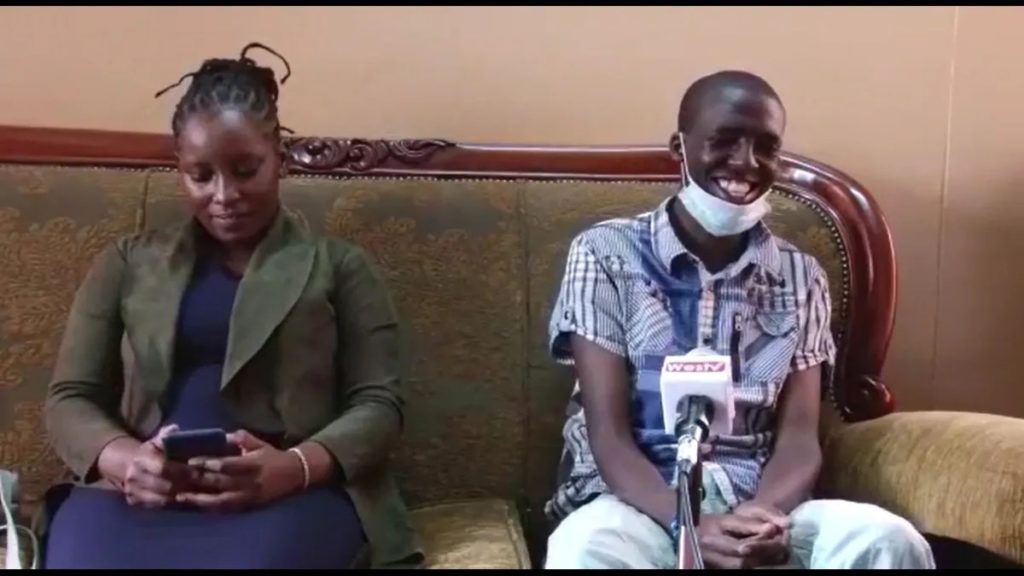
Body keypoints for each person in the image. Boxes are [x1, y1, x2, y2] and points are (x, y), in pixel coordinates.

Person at [40, 43, 421, 569]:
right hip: (137, 498)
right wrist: (127, 462)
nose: (224, 195)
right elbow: (69, 398)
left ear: (279, 159)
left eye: (245, 170)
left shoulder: (339, 266)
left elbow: (380, 404)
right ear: (180, 170)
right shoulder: (127, 263)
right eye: (201, 175)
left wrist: (293, 468)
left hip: (289, 498)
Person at [542, 70, 936, 570]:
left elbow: (798, 436)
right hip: (640, 509)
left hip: (759, 506)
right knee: (584, 550)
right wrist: (688, 526)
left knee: (886, 540)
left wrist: (762, 519)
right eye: (725, 141)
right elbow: (609, 436)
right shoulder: (604, 253)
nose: (746, 163)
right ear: (679, 148)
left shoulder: (800, 275)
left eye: (766, 148)